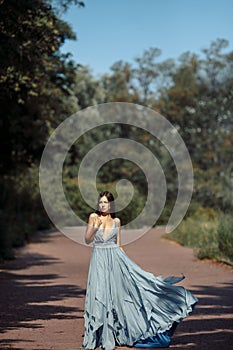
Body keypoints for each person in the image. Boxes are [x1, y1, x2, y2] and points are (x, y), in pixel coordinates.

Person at [82, 191, 198, 350]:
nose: (102, 205)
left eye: (105, 203)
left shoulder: (117, 221)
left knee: (122, 293)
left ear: (111, 205)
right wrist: (95, 227)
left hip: (115, 259)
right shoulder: (93, 217)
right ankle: (100, 335)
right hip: (99, 260)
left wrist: (129, 267)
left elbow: (118, 244)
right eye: (100, 202)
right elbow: (87, 239)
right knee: (100, 294)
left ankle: (115, 333)